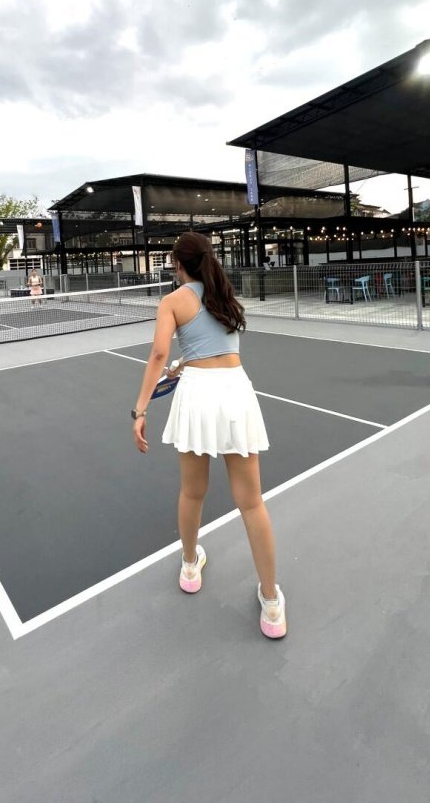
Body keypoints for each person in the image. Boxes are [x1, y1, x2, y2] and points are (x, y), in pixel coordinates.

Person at [132, 232, 286, 639]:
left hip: (198, 395)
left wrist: (141, 409)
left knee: (192, 491)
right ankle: (271, 604)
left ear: (178, 262)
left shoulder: (172, 301)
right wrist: (188, 361)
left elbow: (158, 354)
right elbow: (217, 349)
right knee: (251, 502)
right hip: (235, 389)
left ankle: (188, 565)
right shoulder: (225, 295)